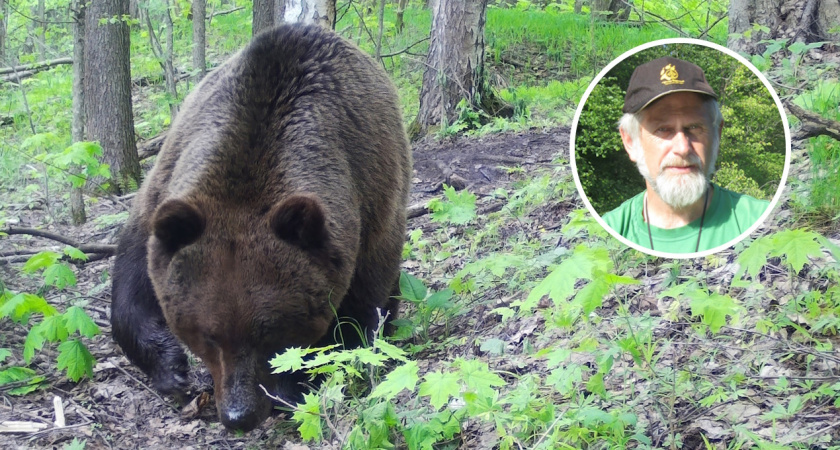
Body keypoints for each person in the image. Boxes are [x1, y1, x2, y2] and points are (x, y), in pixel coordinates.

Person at [601, 56, 770, 253]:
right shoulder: (606, 235)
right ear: (630, 141)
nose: (682, 148)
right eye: (663, 129)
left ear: (717, 135)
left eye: (694, 127)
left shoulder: (761, 221)